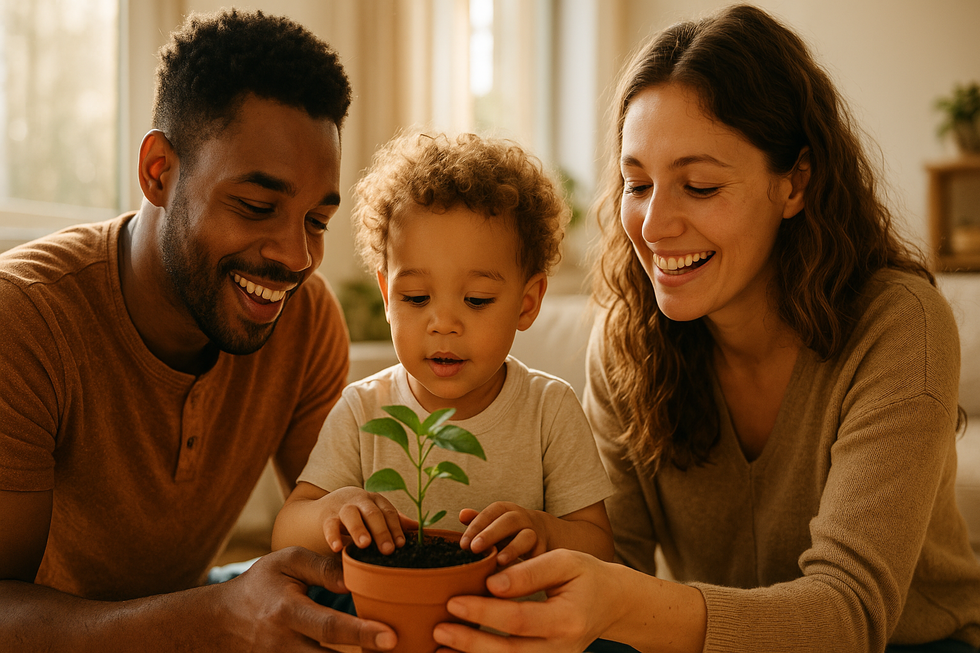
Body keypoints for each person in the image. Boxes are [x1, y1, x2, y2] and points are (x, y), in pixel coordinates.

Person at [431, 5, 980, 653]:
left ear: (795, 182)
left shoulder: (899, 321)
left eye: (698, 185)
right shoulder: (628, 339)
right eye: (637, 183)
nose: (654, 225)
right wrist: (539, 548)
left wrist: (619, 599)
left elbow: (849, 614)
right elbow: (621, 558)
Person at [0, 9, 400, 652]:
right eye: (256, 206)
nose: (296, 257)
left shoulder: (306, 318)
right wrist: (216, 618)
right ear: (159, 172)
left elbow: (332, 533)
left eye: (317, 221)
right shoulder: (23, 318)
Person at [271, 131, 614, 573]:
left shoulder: (549, 410)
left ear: (527, 304)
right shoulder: (363, 410)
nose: (443, 324)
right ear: (386, 295)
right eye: (415, 298)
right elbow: (286, 532)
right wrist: (332, 512)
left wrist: (545, 531)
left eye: (476, 300)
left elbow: (600, 548)